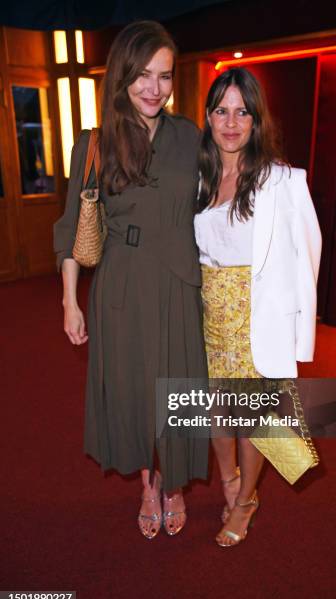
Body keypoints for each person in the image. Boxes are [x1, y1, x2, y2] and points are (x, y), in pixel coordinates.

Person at [54, 21, 208, 539]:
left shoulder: (189, 136)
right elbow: (74, 224)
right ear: (121, 75)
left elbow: (225, 192)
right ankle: (149, 483)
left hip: (181, 280)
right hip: (121, 284)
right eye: (142, 75)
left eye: (164, 76)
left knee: (179, 389)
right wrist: (70, 302)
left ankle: (175, 480)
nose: (154, 88)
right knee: (136, 390)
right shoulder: (94, 144)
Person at [194, 67, 322, 547]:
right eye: (221, 111)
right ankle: (228, 480)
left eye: (241, 111)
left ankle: (246, 498)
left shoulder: (282, 181)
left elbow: (307, 254)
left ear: (255, 119)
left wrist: (297, 332)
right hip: (208, 312)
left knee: (253, 417)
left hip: (256, 313)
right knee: (216, 411)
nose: (231, 122)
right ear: (208, 117)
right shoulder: (200, 178)